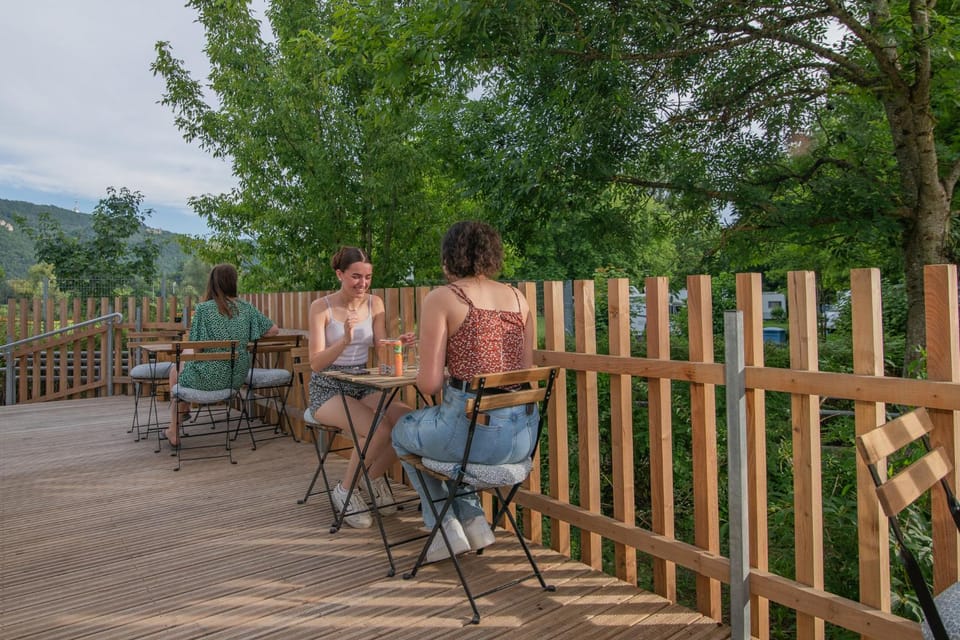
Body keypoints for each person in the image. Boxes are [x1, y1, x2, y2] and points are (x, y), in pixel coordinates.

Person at [391, 221, 537, 563]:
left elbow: (428, 385)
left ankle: (445, 528)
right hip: (522, 439)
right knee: (461, 444)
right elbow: (523, 371)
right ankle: (473, 522)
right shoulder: (519, 299)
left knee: (401, 432)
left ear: (449, 257)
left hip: (475, 437)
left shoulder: (444, 297)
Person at [308, 247, 414, 529]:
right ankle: (345, 490)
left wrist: (397, 344)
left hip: (362, 383)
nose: (362, 283)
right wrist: (344, 340)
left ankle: (373, 477)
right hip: (328, 387)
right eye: (356, 276)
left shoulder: (374, 303)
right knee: (378, 429)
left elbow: (381, 349)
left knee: (408, 421)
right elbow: (316, 363)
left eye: (367, 277)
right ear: (340, 274)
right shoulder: (321, 307)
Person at [165, 263, 279, 447]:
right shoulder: (247, 308)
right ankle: (182, 412)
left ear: (213, 283)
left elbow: (196, 349)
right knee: (180, 367)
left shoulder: (204, 309)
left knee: (175, 370)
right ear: (233, 282)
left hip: (208, 378)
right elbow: (274, 330)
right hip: (235, 378)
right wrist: (252, 331)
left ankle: (175, 427)